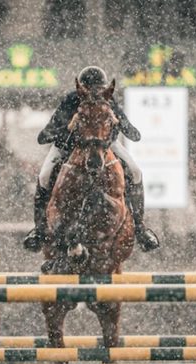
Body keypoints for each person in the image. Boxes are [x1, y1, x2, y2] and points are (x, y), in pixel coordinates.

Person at [23, 66, 160, 252]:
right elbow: (43, 137)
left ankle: (140, 229)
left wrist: (118, 121)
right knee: (44, 176)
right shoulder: (70, 101)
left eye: (99, 90)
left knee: (135, 171)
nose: (96, 95)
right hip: (68, 145)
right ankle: (39, 231)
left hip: (104, 146)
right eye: (91, 90)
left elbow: (135, 135)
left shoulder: (108, 100)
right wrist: (69, 126)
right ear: (82, 90)